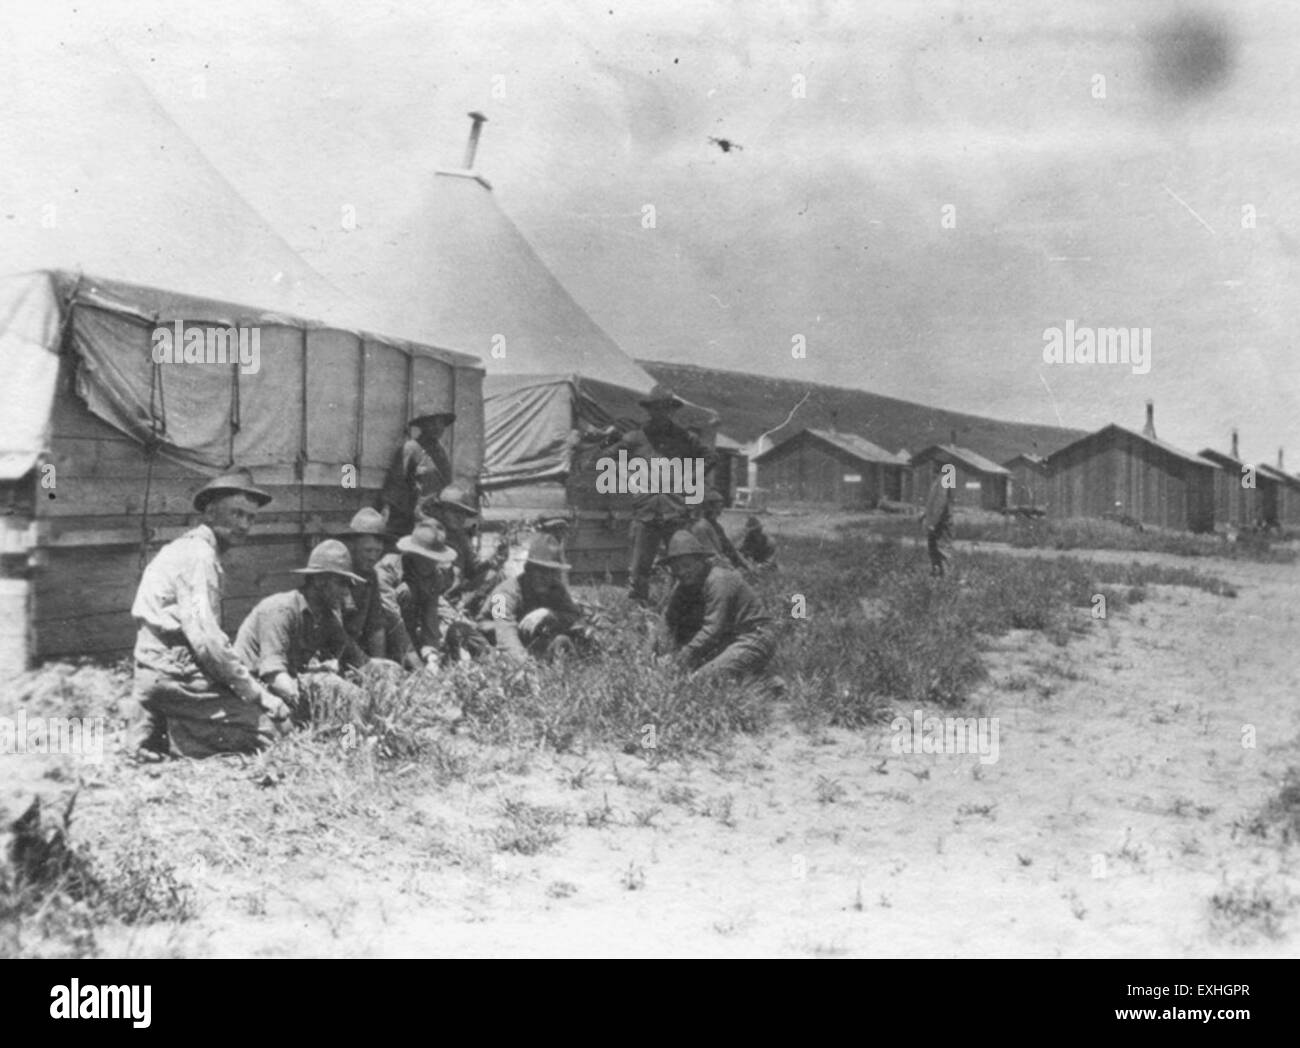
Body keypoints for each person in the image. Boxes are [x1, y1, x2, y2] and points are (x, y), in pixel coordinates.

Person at [129, 469, 290, 760]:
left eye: (250, 518)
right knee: (275, 730)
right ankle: (177, 737)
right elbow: (207, 641)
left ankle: (165, 724)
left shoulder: (185, 548)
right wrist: (258, 693)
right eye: (236, 514)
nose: (244, 525)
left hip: (155, 672)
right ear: (211, 513)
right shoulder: (199, 557)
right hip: (175, 674)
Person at [232, 540, 365, 718]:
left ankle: (350, 745)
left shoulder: (326, 617)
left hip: (284, 691)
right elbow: (274, 677)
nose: (346, 592)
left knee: (346, 705)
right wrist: (312, 703)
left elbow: (359, 661)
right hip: (252, 693)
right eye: (341, 583)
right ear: (319, 580)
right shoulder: (280, 610)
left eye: (349, 585)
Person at [610, 385, 716, 602]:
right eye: (656, 409)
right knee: (639, 567)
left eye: (666, 409)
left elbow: (711, 456)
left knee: (681, 561)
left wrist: (690, 478)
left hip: (674, 510)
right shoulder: (635, 438)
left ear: (672, 411)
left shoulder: (684, 437)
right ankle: (638, 608)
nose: (661, 413)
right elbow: (610, 457)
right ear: (649, 410)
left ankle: (679, 606)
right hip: (645, 511)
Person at [658, 531, 782, 693]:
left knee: (699, 682)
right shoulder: (686, 584)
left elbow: (712, 629)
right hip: (729, 640)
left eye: (687, 565)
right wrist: (659, 654)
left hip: (754, 637)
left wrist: (682, 656)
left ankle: (764, 682)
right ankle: (749, 674)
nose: (682, 572)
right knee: (689, 674)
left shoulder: (718, 580)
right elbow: (668, 619)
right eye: (676, 568)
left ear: (701, 561)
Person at [481, 535, 596, 663]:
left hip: (527, 634)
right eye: (541, 571)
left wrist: (550, 613)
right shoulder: (503, 594)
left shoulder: (555, 587)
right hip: (494, 633)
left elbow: (574, 616)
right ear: (528, 569)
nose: (546, 577)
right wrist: (525, 665)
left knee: (562, 640)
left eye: (551, 572)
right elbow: (504, 631)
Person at [378, 519, 460, 667]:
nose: (429, 564)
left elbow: (430, 618)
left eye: (434, 559)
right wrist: (415, 661)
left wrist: (431, 655)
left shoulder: (434, 577)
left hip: (408, 633)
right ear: (411, 553)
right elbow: (393, 618)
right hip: (383, 632)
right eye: (424, 558)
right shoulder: (387, 569)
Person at [378, 410, 456, 536]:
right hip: (414, 517)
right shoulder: (411, 448)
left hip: (438, 516)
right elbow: (396, 483)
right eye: (432, 423)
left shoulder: (441, 451)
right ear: (423, 426)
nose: (437, 427)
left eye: (441, 423)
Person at [337, 508, 396, 661]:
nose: (373, 557)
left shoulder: (370, 575)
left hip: (355, 648)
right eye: (367, 551)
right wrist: (366, 664)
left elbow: (375, 625)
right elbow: (334, 629)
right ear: (352, 546)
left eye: (377, 551)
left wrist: (381, 663)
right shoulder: (337, 574)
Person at [689, 488, 750, 571]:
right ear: (710, 507)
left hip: (722, 562)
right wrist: (731, 568)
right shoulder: (701, 526)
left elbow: (728, 546)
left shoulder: (716, 526)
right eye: (718, 506)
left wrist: (744, 564)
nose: (720, 510)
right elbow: (711, 554)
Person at [922, 463, 955, 578]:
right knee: (934, 550)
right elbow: (932, 503)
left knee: (942, 550)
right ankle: (937, 577)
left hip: (941, 524)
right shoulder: (937, 482)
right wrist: (924, 515)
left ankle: (946, 579)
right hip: (935, 523)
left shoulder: (943, 481)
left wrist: (933, 523)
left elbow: (940, 505)